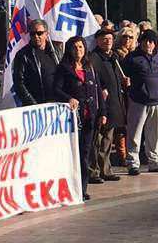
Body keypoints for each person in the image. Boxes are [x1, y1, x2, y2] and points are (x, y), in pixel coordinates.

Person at [53, 36, 106, 201]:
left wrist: (102, 113)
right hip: (73, 119)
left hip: (90, 117)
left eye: (81, 47)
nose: (78, 51)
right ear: (69, 50)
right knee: (72, 153)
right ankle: (70, 187)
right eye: (75, 47)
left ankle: (82, 188)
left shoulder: (90, 67)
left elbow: (98, 91)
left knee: (85, 153)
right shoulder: (63, 68)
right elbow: (56, 89)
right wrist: (68, 98)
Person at [123, 29, 158, 175]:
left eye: (151, 41)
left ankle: (155, 162)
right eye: (145, 41)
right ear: (141, 42)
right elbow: (123, 76)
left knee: (154, 135)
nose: (148, 44)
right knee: (134, 134)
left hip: (157, 101)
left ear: (155, 43)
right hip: (138, 101)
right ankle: (132, 163)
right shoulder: (132, 58)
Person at [89, 29, 126, 184]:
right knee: (97, 141)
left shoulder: (113, 57)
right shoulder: (94, 58)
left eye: (110, 38)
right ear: (97, 41)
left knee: (107, 141)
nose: (108, 41)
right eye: (104, 38)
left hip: (114, 104)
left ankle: (106, 170)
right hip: (101, 105)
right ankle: (94, 171)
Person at [12, 19, 60, 106]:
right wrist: (33, 104)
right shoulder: (23, 55)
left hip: (57, 105)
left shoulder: (56, 51)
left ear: (46, 34)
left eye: (39, 33)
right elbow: (19, 83)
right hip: (37, 106)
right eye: (32, 34)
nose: (36, 36)